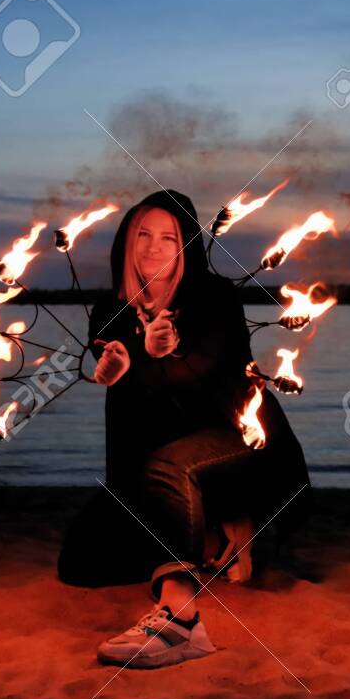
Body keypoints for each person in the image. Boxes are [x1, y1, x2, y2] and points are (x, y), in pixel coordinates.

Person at [59, 189, 309, 668]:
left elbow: (210, 381)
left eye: (168, 238)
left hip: (243, 448)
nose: (153, 246)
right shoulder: (108, 311)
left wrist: (164, 353)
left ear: (185, 246)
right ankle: (217, 540)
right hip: (157, 464)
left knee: (168, 465)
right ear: (127, 243)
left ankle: (182, 621)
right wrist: (118, 371)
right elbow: (127, 399)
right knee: (80, 561)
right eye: (143, 235)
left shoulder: (213, 299)